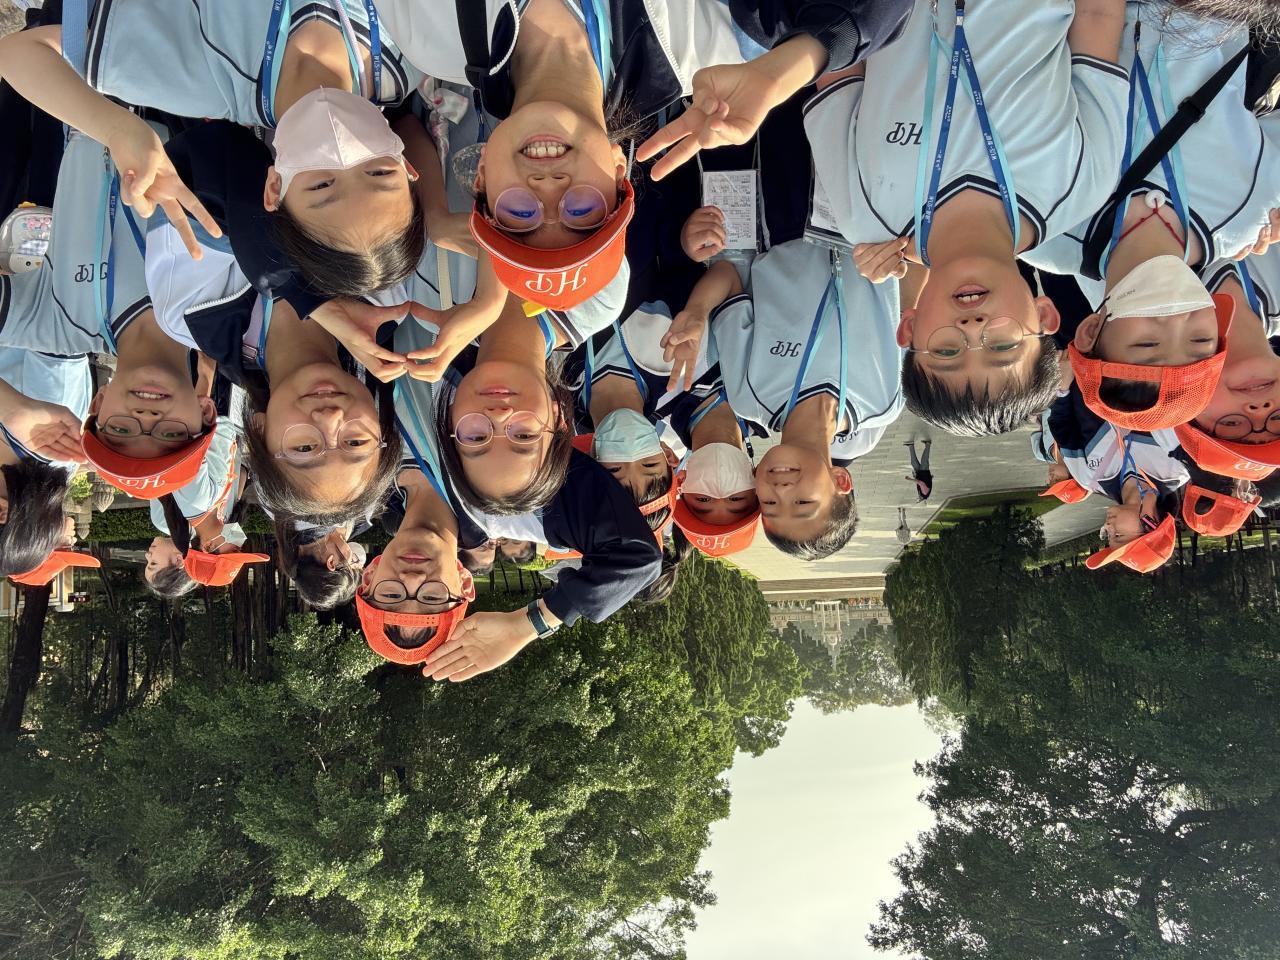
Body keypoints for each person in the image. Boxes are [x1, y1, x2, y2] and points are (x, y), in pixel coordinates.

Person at [371, 0, 911, 313]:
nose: (548, 191)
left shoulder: (434, 37)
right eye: (582, 212)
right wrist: (789, 65)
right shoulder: (715, 42)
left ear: (483, 174)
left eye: (520, 214)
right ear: (618, 167)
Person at [805, 0, 1130, 436]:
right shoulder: (1082, 186)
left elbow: (838, 55)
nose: (972, 329)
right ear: (1045, 317)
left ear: (909, 328)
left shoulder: (863, 213)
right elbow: (1097, 17)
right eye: (1002, 346)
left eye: (946, 352)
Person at [0, 0, 428, 296]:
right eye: (378, 174)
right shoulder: (411, 54)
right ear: (407, 165)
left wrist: (117, 128)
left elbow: (20, 53)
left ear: (274, 189)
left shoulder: (199, 80)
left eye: (322, 186)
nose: (344, 155)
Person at [275, 522, 368, 610]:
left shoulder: (320, 519)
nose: (351, 556)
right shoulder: (292, 529)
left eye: (350, 564)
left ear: (331, 563)